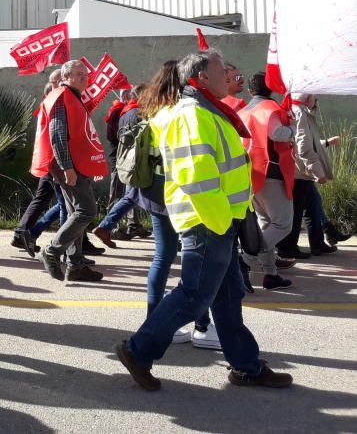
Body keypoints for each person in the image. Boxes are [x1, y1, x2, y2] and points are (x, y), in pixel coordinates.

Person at [115, 50, 291, 391]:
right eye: (221, 70)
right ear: (201, 77)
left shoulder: (207, 111)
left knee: (227, 298)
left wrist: (230, 219)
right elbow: (196, 178)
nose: (229, 76)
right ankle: (138, 350)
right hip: (208, 221)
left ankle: (246, 366)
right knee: (195, 295)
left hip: (219, 220)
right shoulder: (192, 115)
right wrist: (222, 221)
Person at [135, 61, 218, 350]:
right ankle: (202, 325)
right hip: (181, 195)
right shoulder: (181, 114)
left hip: (155, 194)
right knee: (195, 261)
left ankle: (153, 319)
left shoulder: (149, 110)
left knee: (164, 256)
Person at [37, 60, 108, 283]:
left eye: (86, 74)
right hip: (67, 165)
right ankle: (52, 250)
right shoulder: (62, 97)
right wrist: (67, 167)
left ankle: (75, 265)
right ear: (66, 77)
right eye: (78, 74)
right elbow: (57, 135)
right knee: (86, 210)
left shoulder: (73, 96)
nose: (84, 78)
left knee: (73, 212)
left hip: (74, 163)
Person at [238, 73, 296, 290]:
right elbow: (277, 133)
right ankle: (245, 261)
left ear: (250, 91)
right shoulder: (270, 109)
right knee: (282, 224)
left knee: (266, 224)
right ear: (270, 89)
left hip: (250, 174)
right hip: (270, 172)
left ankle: (270, 274)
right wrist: (293, 128)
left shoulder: (243, 111)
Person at [277, 93, 343, 258]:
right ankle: (288, 248)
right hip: (300, 171)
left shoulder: (298, 111)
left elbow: (307, 143)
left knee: (312, 207)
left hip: (301, 171)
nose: (316, 101)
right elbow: (303, 146)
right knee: (298, 210)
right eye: (315, 97)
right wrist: (318, 172)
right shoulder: (300, 113)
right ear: (307, 98)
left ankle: (318, 244)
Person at [14, 70, 63, 257]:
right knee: (67, 205)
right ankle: (30, 233)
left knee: (45, 199)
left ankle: (23, 233)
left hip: (49, 160)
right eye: (58, 82)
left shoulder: (50, 104)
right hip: (54, 161)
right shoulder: (52, 105)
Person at [93, 85, 146, 248]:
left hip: (124, 157)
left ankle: (125, 225)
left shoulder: (123, 113)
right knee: (122, 193)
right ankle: (112, 226)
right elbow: (114, 137)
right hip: (129, 159)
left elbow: (113, 136)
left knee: (130, 194)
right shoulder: (132, 113)